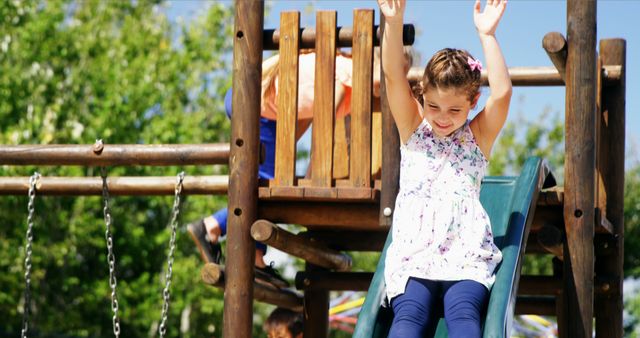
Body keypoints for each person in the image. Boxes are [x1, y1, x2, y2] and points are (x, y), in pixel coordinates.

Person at [187, 48, 410, 288]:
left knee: (264, 184)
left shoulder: (343, 68)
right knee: (267, 189)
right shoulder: (343, 78)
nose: (396, 81)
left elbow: (307, 113)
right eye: (393, 73)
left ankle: (255, 256)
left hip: (253, 100)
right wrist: (313, 177)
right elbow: (323, 131)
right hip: (254, 104)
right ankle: (212, 225)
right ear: (376, 63)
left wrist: (288, 149)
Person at [377, 0, 510, 337]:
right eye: (433, 105)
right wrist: (394, 23)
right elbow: (393, 75)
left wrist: (488, 35)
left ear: (472, 103)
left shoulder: (477, 136)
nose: (442, 117)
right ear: (422, 96)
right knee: (408, 315)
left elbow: (503, 94)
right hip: (415, 255)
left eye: (454, 109)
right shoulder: (413, 129)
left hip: (465, 257)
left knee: (463, 314)